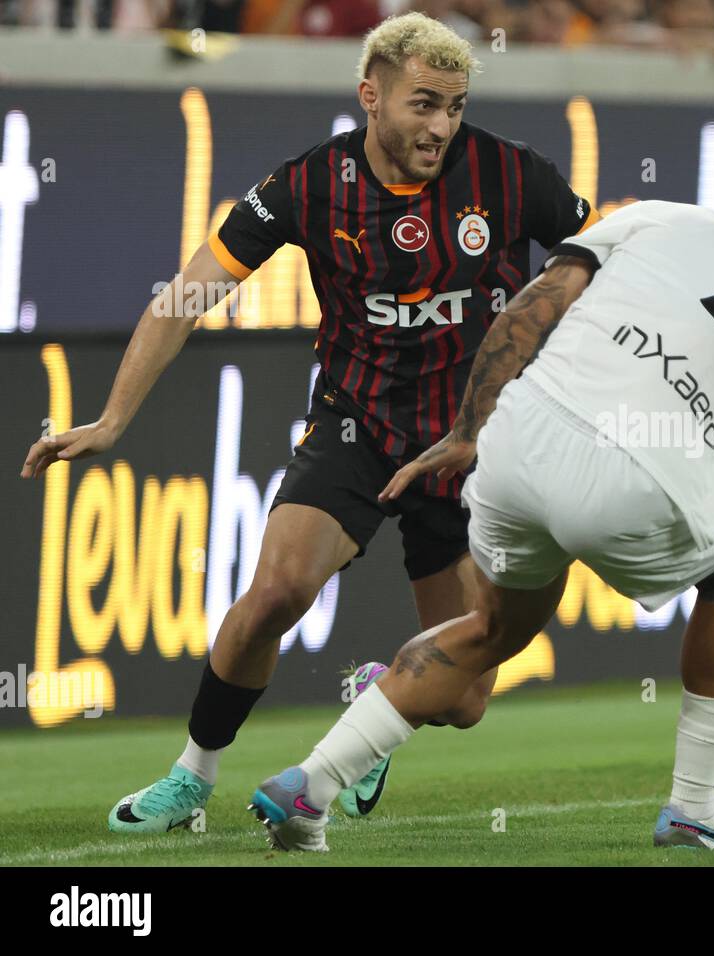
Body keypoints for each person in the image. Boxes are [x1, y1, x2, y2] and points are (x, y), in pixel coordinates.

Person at [19, 11, 598, 834]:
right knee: (275, 595)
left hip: (471, 443)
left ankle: (374, 701)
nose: (440, 126)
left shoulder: (513, 175)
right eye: (423, 104)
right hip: (356, 426)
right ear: (370, 96)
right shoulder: (308, 185)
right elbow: (187, 296)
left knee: (466, 697)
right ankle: (191, 780)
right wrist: (112, 419)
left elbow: (612, 258)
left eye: (456, 106)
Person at [247, 166, 714, 851]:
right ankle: (696, 805)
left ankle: (309, 785)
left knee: (489, 631)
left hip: (520, 442)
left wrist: (468, 430)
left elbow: (536, 302)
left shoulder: (660, 215)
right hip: (641, 482)